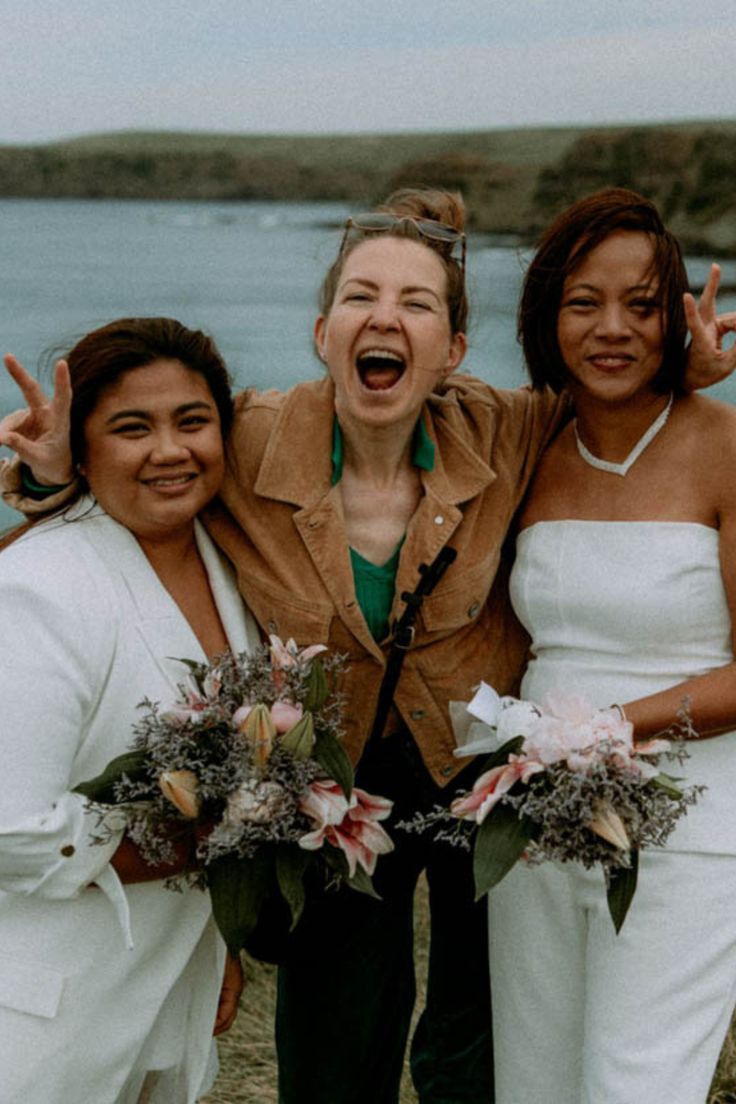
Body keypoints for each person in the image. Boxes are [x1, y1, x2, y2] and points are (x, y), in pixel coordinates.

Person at [1, 190, 734, 1104]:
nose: (385, 318)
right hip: (337, 786)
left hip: (479, 768)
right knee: (339, 1043)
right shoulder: (247, 435)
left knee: (482, 1047)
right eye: (360, 297)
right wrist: (45, 476)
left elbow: (612, 405)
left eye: (417, 304)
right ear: (321, 331)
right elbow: (150, 468)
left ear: (454, 352)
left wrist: (679, 373)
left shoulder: (508, 428)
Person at [486, 187, 736, 1104]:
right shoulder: (529, 441)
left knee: (637, 1084)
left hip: (694, 823)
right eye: (584, 302)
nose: (612, 329)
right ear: (547, 313)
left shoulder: (726, 449)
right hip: (538, 818)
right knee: (537, 1081)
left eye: (641, 305)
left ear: (674, 317)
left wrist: (606, 731)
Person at [0, 317, 261, 1104]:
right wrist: (201, 843)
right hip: (44, 1016)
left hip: (169, 991)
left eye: (192, 421)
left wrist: (224, 942)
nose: (169, 450)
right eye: (130, 428)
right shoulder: (41, 586)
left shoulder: (234, 567)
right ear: (81, 452)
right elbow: (12, 830)